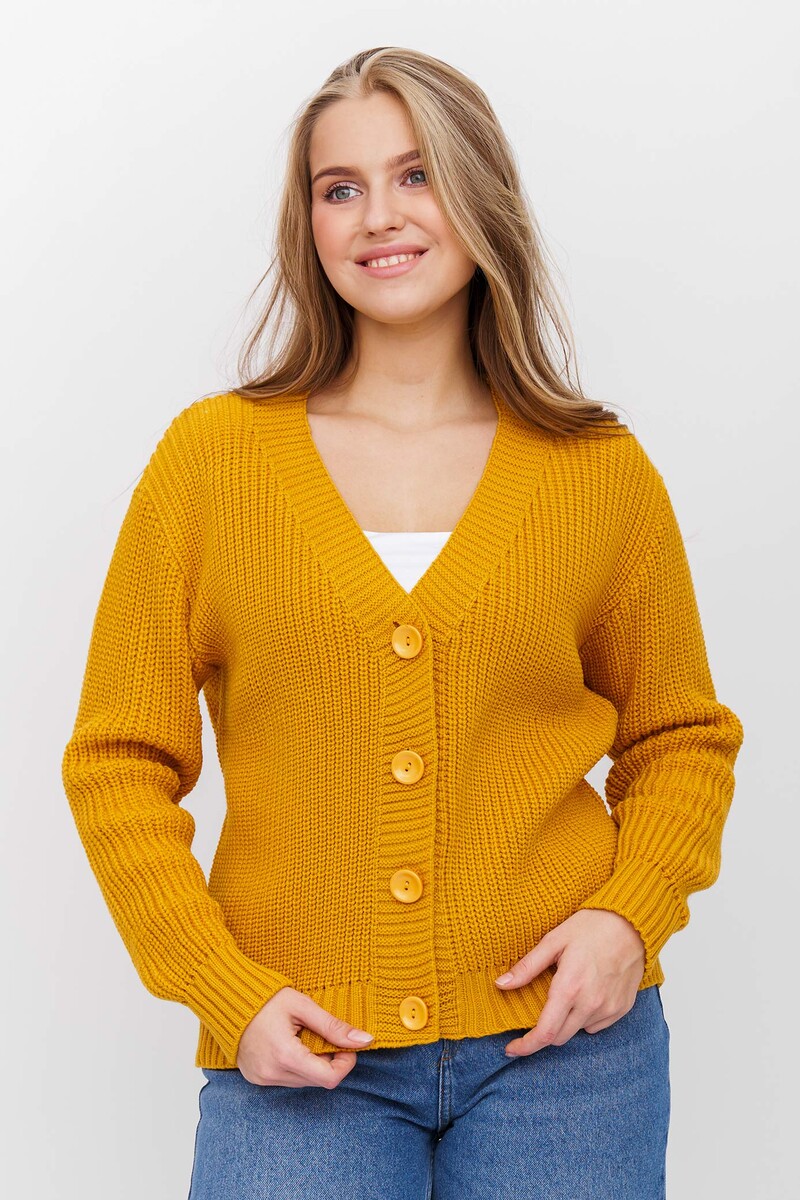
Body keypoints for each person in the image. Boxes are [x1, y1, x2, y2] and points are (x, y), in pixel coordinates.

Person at [61, 45, 745, 1200]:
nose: (378, 215)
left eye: (415, 174)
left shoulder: (596, 471)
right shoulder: (210, 465)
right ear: (310, 224)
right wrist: (221, 988)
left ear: (480, 194)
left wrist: (626, 921)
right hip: (297, 1052)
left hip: (568, 1054)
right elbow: (117, 759)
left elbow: (678, 737)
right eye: (340, 187)